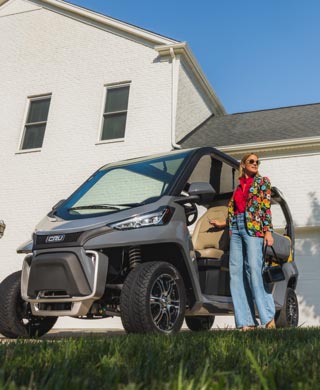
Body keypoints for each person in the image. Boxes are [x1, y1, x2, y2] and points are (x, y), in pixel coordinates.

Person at [210, 153, 276, 330]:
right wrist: (223, 223)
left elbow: (265, 208)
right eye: (251, 161)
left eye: (257, 162)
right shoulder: (238, 187)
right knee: (236, 274)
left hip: (254, 227)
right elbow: (236, 210)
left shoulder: (263, 182)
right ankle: (246, 321)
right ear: (244, 165)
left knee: (254, 270)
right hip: (236, 228)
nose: (255, 164)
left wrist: (268, 231)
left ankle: (268, 317)